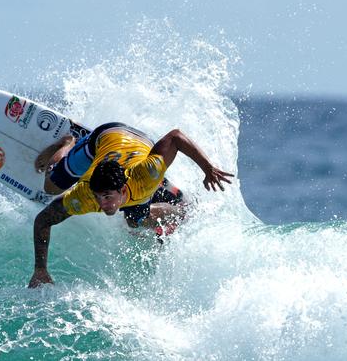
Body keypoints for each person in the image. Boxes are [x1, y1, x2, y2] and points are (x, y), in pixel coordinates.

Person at [29, 122, 233, 288]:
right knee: (50, 187)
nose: (101, 204)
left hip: (136, 141)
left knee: (136, 221)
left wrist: (208, 168)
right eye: (98, 197)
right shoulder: (85, 196)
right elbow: (43, 221)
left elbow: (176, 136)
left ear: (123, 191)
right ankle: (69, 142)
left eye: (107, 197)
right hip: (104, 138)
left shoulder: (146, 174)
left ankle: (181, 208)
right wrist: (40, 269)